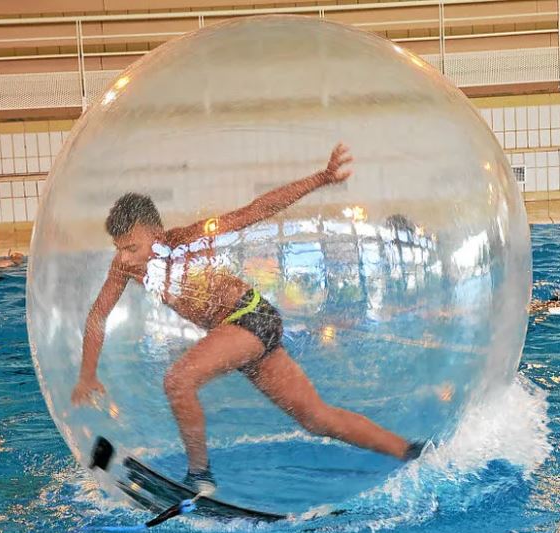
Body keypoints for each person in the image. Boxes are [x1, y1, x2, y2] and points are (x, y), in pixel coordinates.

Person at [71, 143, 424, 492]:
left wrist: (322, 178)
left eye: (133, 247)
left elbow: (257, 210)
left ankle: (199, 478)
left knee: (179, 380)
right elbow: (98, 315)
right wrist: (87, 376)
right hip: (240, 332)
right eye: (119, 248)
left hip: (251, 317)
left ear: (157, 235)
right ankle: (410, 451)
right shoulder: (124, 268)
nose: (126, 258)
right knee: (315, 418)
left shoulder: (190, 241)